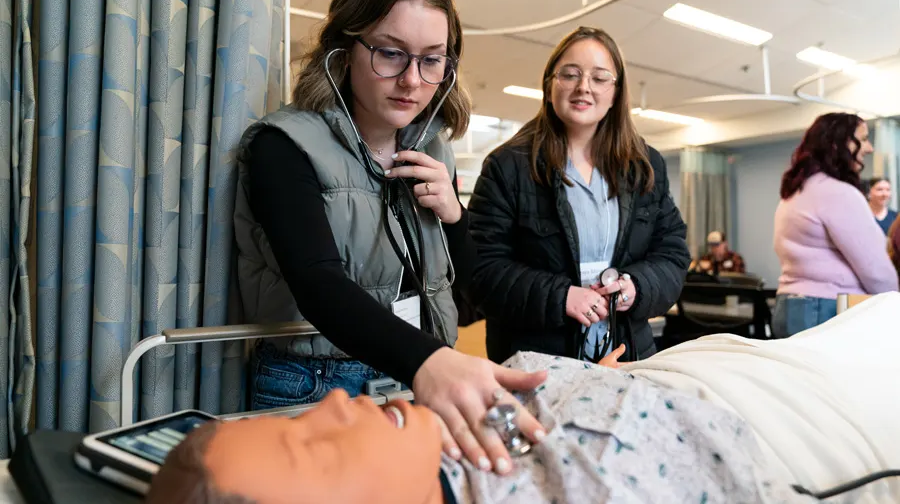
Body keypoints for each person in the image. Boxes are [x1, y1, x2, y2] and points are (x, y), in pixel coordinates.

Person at [234, 0, 546, 475]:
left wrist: (453, 214)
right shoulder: (283, 146)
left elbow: (475, 292)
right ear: (345, 46)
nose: (411, 81)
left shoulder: (433, 152)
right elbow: (317, 283)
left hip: (413, 378)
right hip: (316, 384)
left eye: (431, 61)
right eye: (390, 52)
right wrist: (431, 362)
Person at [147, 293, 900, 503]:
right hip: (790, 415)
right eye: (307, 446)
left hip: (694, 365)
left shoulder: (442, 435)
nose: (337, 405)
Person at [466, 27, 691, 365]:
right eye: (570, 74)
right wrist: (561, 298)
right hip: (538, 363)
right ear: (549, 84)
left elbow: (672, 253)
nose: (584, 86)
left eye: (600, 78)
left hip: (627, 353)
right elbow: (480, 270)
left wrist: (635, 287)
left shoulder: (645, 166)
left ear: (615, 93)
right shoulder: (507, 166)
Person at [772, 113, 898, 338]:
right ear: (837, 143)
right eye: (864, 138)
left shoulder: (795, 191)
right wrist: (895, 301)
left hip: (790, 306)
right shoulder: (838, 193)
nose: (869, 148)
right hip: (824, 310)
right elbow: (875, 269)